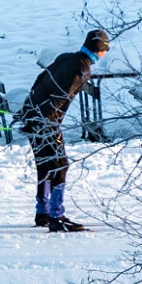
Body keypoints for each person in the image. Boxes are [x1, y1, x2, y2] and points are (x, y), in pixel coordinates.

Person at [16, 29, 110, 232]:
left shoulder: (66, 57)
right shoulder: (82, 71)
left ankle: (43, 212)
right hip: (46, 122)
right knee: (60, 165)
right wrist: (46, 124)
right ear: (101, 50)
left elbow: (40, 80)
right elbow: (59, 100)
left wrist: (27, 111)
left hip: (34, 115)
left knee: (44, 164)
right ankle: (56, 217)